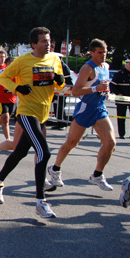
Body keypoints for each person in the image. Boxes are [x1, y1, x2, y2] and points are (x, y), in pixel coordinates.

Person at [0, 27, 64, 218]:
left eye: (49, 40)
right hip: (27, 113)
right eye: (44, 41)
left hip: (43, 114)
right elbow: (3, 77)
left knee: (20, 151)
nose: (48, 44)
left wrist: (60, 80)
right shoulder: (23, 61)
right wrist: (18, 87)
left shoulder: (54, 59)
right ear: (34, 44)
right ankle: (40, 202)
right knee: (43, 153)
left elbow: (59, 83)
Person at [47, 39, 116, 192]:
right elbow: (76, 91)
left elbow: (104, 85)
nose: (103, 55)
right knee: (71, 143)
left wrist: (107, 92)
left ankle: (97, 174)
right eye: (99, 52)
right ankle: (55, 168)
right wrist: (96, 89)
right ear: (91, 53)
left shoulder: (105, 66)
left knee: (110, 143)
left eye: (104, 52)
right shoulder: (88, 68)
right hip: (85, 109)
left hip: (99, 109)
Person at [110, 59, 130, 139]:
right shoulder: (119, 74)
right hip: (122, 100)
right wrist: (118, 94)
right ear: (127, 65)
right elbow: (112, 86)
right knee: (121, 117)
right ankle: (121, 134)